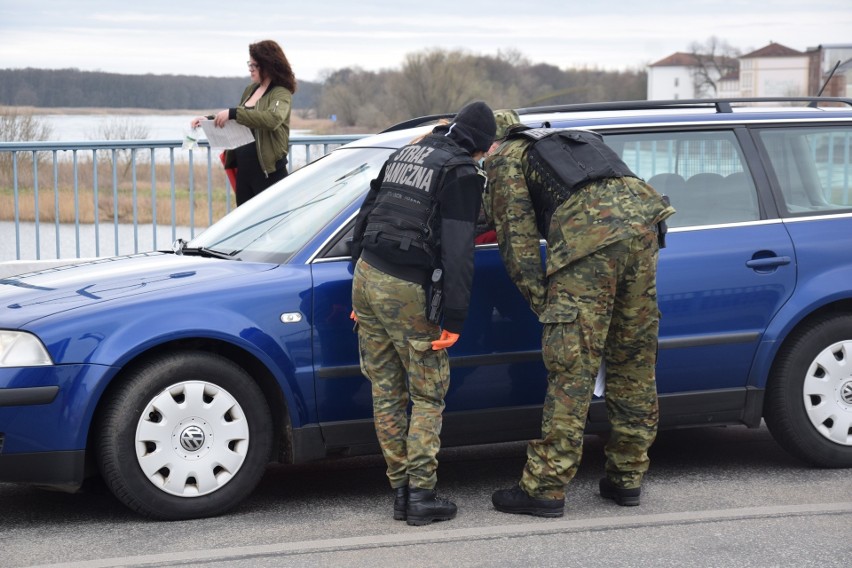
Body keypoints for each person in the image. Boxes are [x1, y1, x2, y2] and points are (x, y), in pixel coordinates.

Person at [484, 120, 675, 517]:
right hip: (644, 223)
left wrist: (547, 307)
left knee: (572, 366)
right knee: (633, 360)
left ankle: (545, 487)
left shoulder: (504, 156)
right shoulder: (570, 139)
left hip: (588, 236)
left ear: (492, 141)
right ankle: (627, 477)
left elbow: (516, 240)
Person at [350, 101, 496, 526]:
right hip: (407, 287)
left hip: (367, 275)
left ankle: (399, 491)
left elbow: (366, 215)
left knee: (386, 389)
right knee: (428, 393)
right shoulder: (462, 173)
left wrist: (360, 292)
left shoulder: (407, 151)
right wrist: (455, 319)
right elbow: (458, 250)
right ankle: (421, 496)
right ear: (481, 147)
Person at [191, 39, 296, 206]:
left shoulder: (280, 93)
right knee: (247, 229)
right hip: (244, 172)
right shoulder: (250, 90)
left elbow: (272, 119)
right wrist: (208, 120)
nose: (250, 69)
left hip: (268, 173)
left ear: (267, 65)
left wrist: (234, 113)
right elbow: (239, 120)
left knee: (276, 229)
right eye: (250, 64)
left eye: (254, 65)